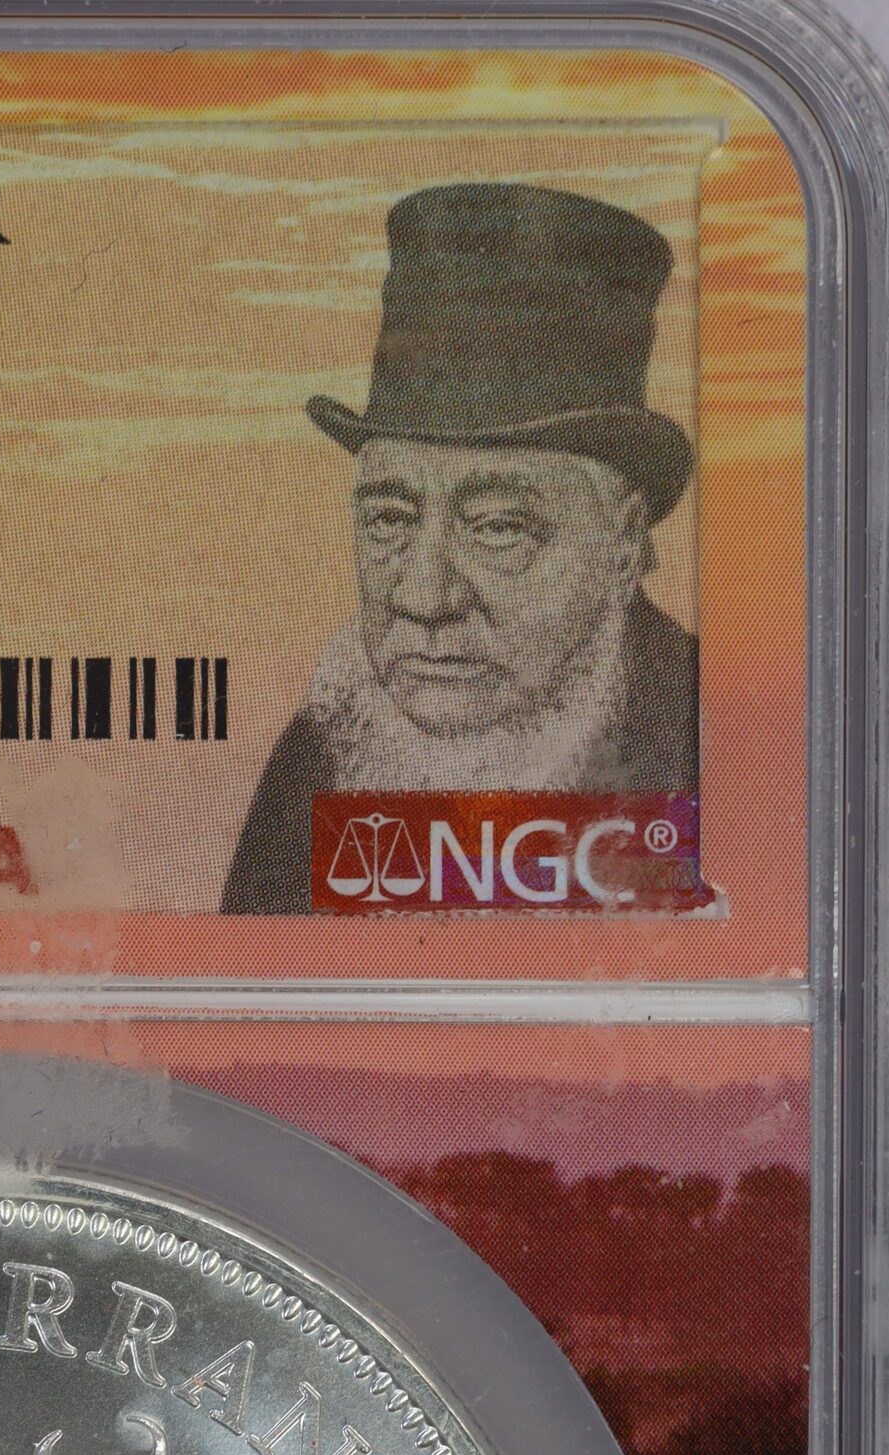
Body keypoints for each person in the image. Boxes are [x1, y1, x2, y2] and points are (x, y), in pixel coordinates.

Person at [221, 182, 698, 916]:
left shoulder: (718, 744)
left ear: (625, 542)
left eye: (498, 527)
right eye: (389, 520)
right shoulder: (324, 750)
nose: (423, 598)